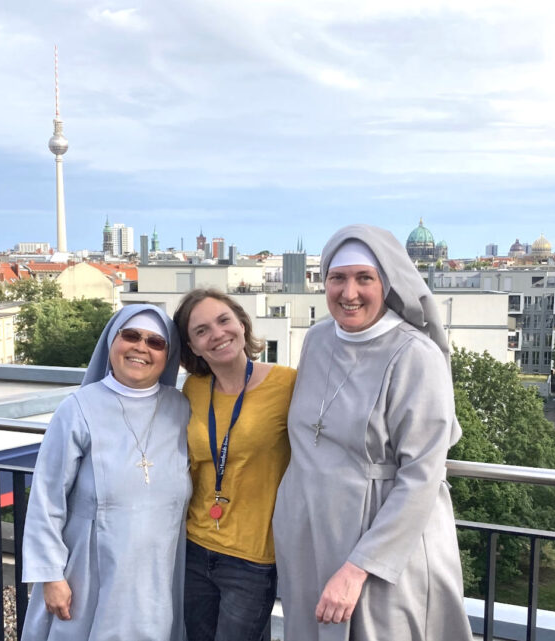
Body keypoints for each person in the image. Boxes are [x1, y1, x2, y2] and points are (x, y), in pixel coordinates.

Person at [273, 225, 471, 640]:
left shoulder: (416, 355)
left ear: (387, 282)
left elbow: (421, 475)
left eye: (365, 278)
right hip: (311, 540)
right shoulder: (317, 338)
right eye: (337, 278)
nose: (349, 293)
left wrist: (360, 565)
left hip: (381, 545)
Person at [21, 304, 191, 641]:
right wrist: (51, 577)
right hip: (90, 572)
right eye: (131, 336)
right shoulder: (78, 408)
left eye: (156, 343)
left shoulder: (182, 408)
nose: (141, 347)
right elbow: (46, 498)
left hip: (160, 571)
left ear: (168, 356)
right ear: (112, 342)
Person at [173, 289, 296, 641]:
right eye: (201, 331)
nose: (217, 334)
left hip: (253, 558)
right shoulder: (193, 389)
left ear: (242, 324)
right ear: (193, 347)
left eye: (224, 320)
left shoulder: (287, 384)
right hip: (194, 546)